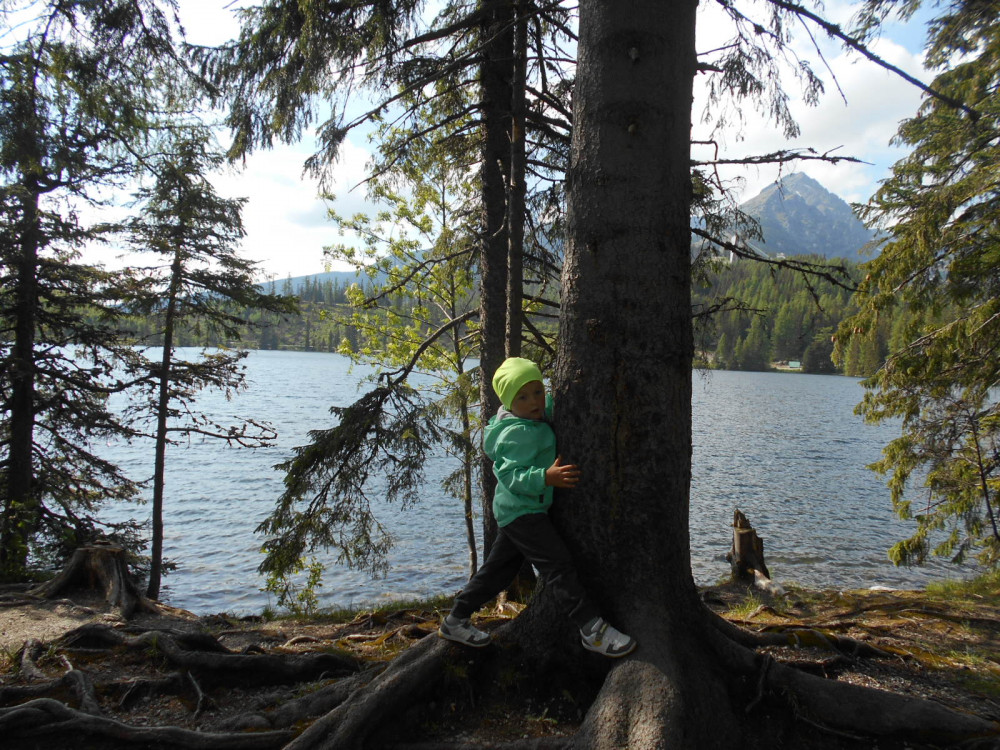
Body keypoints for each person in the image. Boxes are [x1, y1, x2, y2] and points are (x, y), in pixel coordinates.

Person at [438, 357, 636, 658]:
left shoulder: (534, 416)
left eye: (538, 392)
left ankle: (455, 620)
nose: (534, 401)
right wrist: (546, 477)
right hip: (522, 511)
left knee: (497, 573)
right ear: (509, 401)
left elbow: (553, 405)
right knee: (558, 566)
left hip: (521, 510)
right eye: (523, 396)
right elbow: (510, 476)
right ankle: (591, 628)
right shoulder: (515, 433)